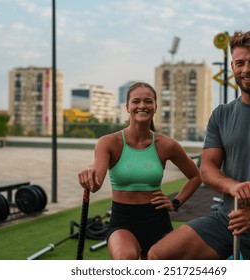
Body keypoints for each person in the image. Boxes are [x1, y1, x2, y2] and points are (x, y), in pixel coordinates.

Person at [148, 29, 250, 260]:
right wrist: (232, 186)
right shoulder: (221, 114)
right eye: (240, 63)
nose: (246, 69)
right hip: (226, 219)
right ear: (232, 66)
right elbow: (207, 169)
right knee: (160, 255)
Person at [77, 82, 202, 260]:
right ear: (127, 107)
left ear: (155, 107)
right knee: (125, 258)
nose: (142, 106)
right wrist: (88, 175)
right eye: (136, 101)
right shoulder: (109, 142)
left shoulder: (167, 144)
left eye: (148, 101)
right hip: (123, 220)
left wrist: (175, 203)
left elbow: (196, 176)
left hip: (157, 219)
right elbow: (95, 185)